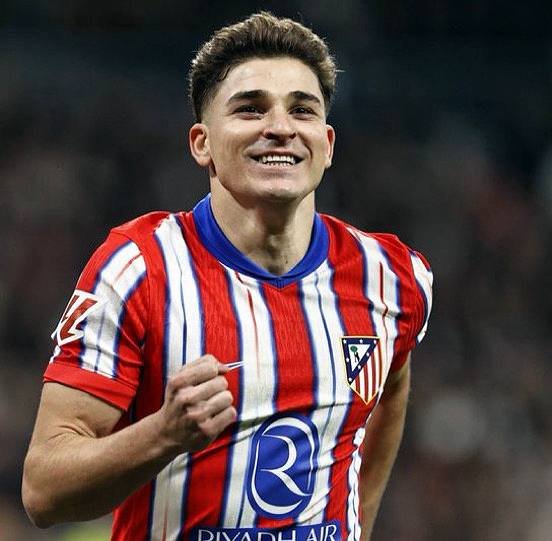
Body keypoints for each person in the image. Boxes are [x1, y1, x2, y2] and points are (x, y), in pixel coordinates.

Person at [22, 12, 432, 541]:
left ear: (327, 144)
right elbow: (43, 491)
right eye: (250, 108)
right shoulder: (139, 269)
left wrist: (359, 523)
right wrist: (162, 434)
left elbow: (391, 383)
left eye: (301, 109)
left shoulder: (392, 276)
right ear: (203, 143)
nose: (280, 127)